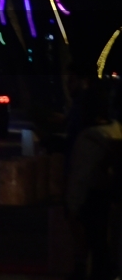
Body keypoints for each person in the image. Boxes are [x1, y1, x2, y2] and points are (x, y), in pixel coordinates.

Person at [65, 81, 121, 280]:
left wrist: (72, 207)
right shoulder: (116, 132)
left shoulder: (89, 138)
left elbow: (81, 177)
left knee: (95, 250)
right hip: (112, 201)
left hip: (93, 201)